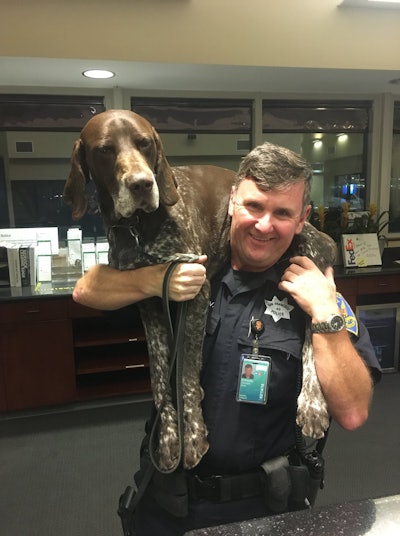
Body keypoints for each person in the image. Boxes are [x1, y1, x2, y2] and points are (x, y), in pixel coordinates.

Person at [73, 142, 381, 535]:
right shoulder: (192, 267)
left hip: (267, 508)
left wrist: (325, 314)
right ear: (233, 199)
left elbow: (353, 412)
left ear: (302, 219)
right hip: (167, 501)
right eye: (254, 205)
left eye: (282, 213)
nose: (264, 224)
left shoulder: (316, 289)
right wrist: (156, 280)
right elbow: (87, 289)